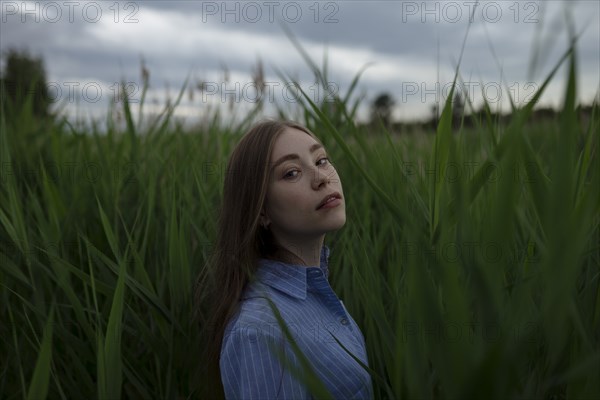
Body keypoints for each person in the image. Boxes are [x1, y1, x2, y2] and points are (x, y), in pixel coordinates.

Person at [194, 120, 373, 399]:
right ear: (261, 210)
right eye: (291, 173)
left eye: (321, 159)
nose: (321, 177)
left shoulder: (312, 291)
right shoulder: (260, 332)